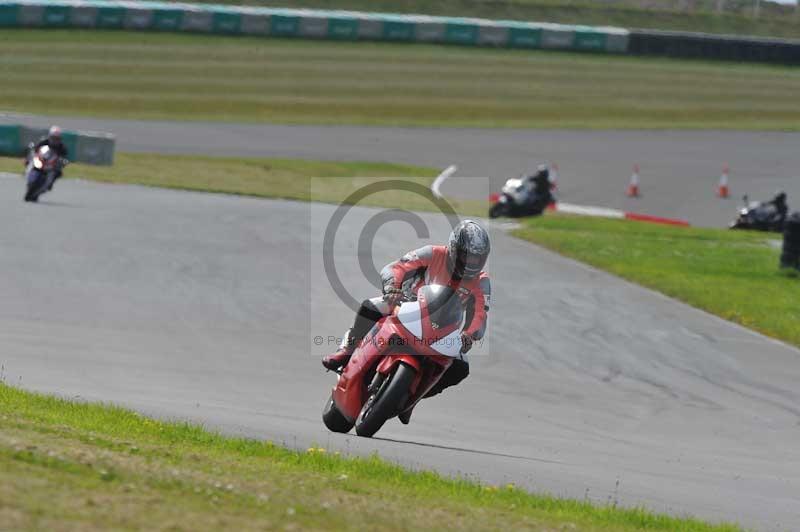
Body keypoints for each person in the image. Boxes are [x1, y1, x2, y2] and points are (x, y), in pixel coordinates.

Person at [322, 220, 491, 422]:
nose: (471, 262)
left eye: (477, 258)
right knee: (371, 306)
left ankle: (412, 398)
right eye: (467, 256)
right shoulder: (433, 253)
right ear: (455, 248)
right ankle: (346, 351)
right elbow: (397, 267)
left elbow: (481, 313)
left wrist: (469, 335)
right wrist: (393, 286)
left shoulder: (481, 281)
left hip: (444, 330)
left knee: (460, 368)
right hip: (406, 305)